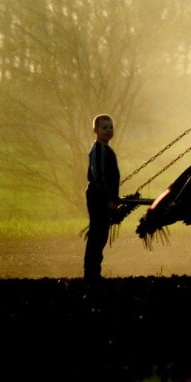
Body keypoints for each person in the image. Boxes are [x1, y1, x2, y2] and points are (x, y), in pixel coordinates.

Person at [84, 114, 120, 282]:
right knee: (97, 235)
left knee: (101, 235)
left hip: (103, 197)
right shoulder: (98, 150)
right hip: (98, 198)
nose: (108, 131)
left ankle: (93, 273)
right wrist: (109, 200)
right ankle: (91, 274)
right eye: (104, 128)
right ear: (95, 131)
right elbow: (98, 178)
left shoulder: (106, 149)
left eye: (110, 127)